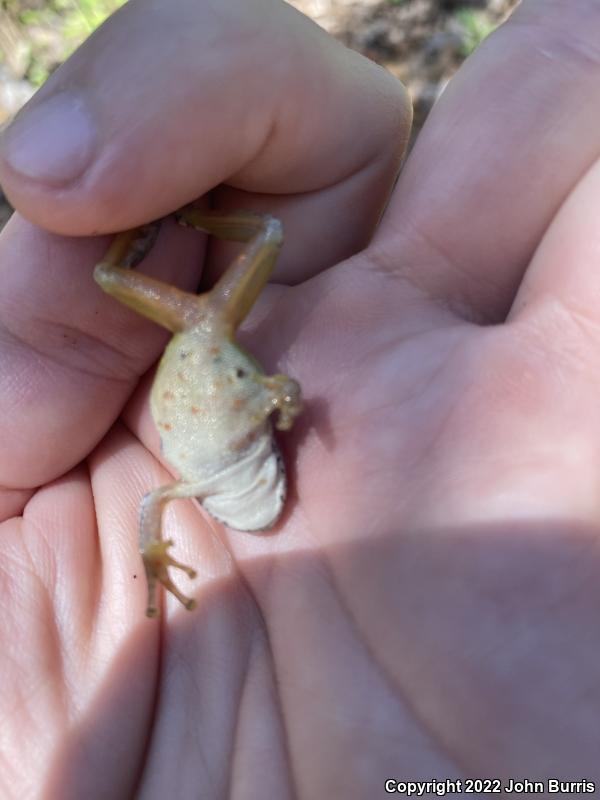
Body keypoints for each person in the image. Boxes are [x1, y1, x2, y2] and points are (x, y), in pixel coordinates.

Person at [0, 0, 599, 795]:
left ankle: (185, 213)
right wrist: (269, 404)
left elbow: (167, 499)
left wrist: (268, 405)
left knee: (183, 259)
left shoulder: (182, 488)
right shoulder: (185, 490)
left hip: (201, 330)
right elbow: (159, 505)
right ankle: (188, 214)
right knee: (173, 261)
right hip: (202, 330)